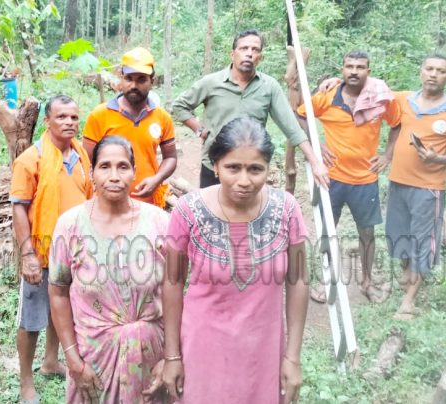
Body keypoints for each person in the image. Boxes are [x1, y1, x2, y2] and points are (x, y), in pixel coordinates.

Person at [162, 117, 309, 403]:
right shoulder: (188, 211)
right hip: (203, 348)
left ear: (268, 168)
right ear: (215, 166)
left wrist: (292, 357)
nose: (244, 180)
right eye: (233, 168)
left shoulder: (287, 209)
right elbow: (172, 282)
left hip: (263, 349)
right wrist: (171, 356)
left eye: (255, 169)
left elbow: (299, 280)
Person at [49, 136, 170, 403]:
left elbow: (178, 297)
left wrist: (171, 358)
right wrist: (73, 359)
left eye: (122, 167)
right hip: (93, 362)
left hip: (153, 358)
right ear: (92, 173)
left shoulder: (160, 223)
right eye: (105, 166)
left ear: (134, 172)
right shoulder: (70, 225)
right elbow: (58, 293)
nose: (114, 176)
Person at [296, 50, 402, 303]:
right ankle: (326, 280)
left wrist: (387, 156)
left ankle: (366, 282)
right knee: (327, 231)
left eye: (360, 66)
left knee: (366, 233)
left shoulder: (379, 98)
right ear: (342, 69)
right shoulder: (328, 96)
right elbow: (299, 115)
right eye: (349, 66)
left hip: (365, 180)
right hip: (330, 179)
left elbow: (397, 124)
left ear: (369, 70)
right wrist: (315, 142)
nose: (354, 71)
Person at [10, 95, 93, 403]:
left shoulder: (80, 154)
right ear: (47, 121)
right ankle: (25, 381)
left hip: (74, 252)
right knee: (31, 319)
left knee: (64, 310)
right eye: (61, 117)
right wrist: (28, 255)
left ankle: (50, 361)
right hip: (42, 253)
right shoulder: (31, 159)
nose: (69, 122)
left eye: (73, 117)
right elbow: (19, 209)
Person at [171, 29, 329, 190]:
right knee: (211, 212)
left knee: (248, 214)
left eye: (255, 50)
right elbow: (179, 106)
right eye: (244, 48)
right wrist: (199, 130)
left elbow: (291, 127)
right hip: (215, 165)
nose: (249, 54)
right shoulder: (211, 82)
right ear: (232, 54)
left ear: (260, 57)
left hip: (252, 168)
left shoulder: (269, 87)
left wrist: (315, 162)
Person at [383, 54, 446, 320]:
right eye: (429, 68)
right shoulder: (403, 100)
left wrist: (440, 158)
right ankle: (407, 271)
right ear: (421, 71)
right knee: (398, 234)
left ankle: (409, 301)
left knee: (422, 241)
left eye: (441, 71)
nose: (433, 74)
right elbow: (372, 90)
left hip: (429, 188)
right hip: (398, 181)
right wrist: (332, 82)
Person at [83, 47, 177, 208]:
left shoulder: (162, 117)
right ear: (121, 78)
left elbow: (171, 157)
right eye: (129, 78)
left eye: (141, 79)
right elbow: (86, 161)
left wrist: (157, 179)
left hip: (148, 204)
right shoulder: (99, 115)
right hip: (106, 203)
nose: (134, 85)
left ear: (152, 82)